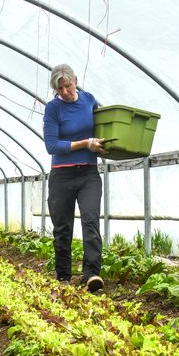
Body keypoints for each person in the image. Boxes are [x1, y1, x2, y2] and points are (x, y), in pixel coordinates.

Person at [43, 63, 106, 293]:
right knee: (62, 227)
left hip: (88, 173)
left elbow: (105, 126)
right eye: (60, 89)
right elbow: (52, 145)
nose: (65, 92)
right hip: (62, 175)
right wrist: (84, 143)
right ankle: (63, 277)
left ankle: (92, 274)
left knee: (90, 221)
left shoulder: (89, 100)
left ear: (75, 81)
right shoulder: (53, 109)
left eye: (68, 86)